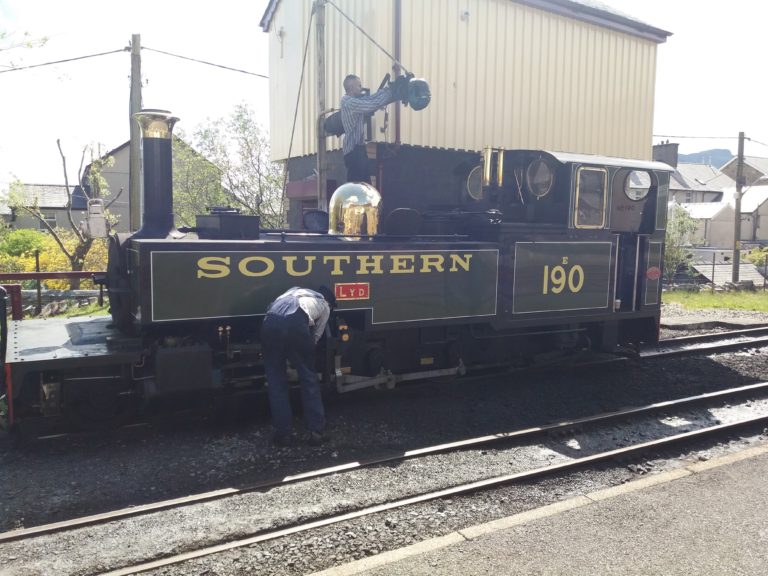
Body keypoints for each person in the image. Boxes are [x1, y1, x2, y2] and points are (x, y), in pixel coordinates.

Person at [261, 286, 336, 447]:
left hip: (269, 322)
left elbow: (272, 311)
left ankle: (283, 434)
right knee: (308, 378)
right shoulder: (323, 304)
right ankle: (316, 432)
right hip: (295, 322)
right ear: (329, 300)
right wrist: (304, 355)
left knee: (276, 382)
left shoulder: (291, 291)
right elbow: (316, 336)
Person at [340, 68, 402, 183]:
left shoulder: (355, 100)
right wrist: (391, 93)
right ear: (351, 88)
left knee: (365, 186)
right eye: (359, 85)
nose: (361, 88)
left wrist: (388, 90)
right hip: (353, 151)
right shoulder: (348, 102)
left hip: (359, 149)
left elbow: (371, 98)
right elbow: (372, 104)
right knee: (356, 187)